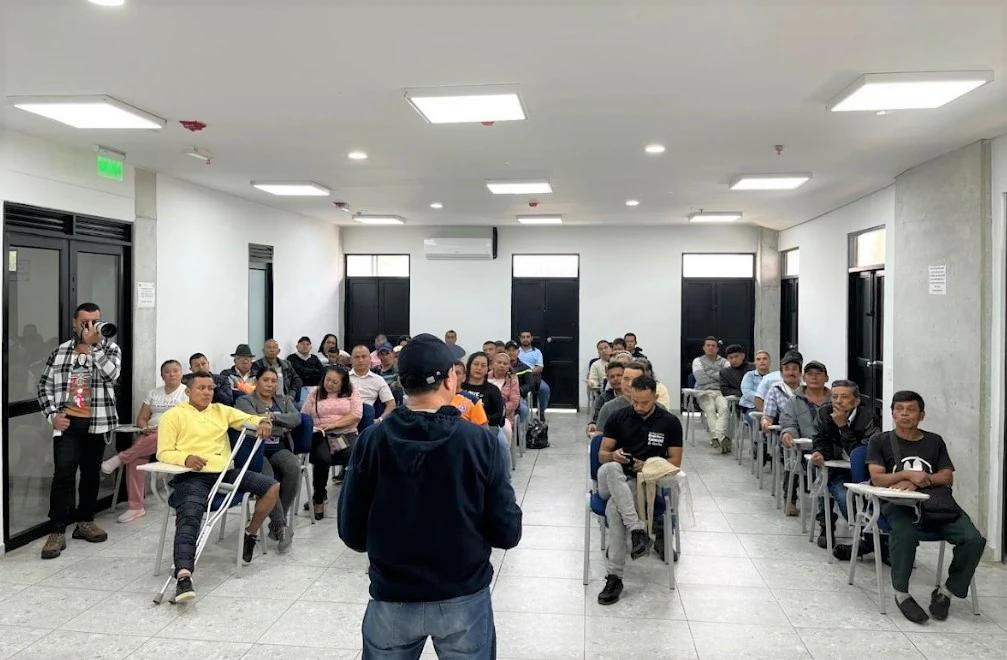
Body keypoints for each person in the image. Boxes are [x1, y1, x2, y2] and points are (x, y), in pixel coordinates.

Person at [338, 333, 522, 659]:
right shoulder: (481, 442)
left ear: (401, 383)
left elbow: (352, 533)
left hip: (392, 595)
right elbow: (507, 532)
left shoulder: (371, 441)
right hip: (463, 595)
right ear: (450, 379)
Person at [156, 371, 279, 602]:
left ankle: (250, 534)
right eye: (201, 388)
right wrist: (185, 458)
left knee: (271, 487)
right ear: (188, 391)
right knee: (190, 516)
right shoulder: (173, 416)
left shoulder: (221, 410)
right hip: (192, 475)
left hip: (224, 472)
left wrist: (263, 421)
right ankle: (184, 576)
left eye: (210, 388)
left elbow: (250, 418)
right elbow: (163, 452)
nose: (207, 392)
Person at [866, 390, 986, 624]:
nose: (904, 414)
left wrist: (922, 480)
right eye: (899, 409)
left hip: (937, 503)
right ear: (892, 413)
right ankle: (902, 593)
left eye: (911, 410)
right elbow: (878, 478)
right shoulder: (879, 441)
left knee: (973, 539)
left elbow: (947, 477)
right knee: (905, 534)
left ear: (922, 415)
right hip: (898, 503)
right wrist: (906, 475)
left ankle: (947, 592)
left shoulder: (934, 441)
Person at [37, 302, 121, 559]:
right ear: (75, 323)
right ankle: (56, 531)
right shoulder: (60, 351)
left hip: (98, 422)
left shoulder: (110, 348)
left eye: (95, 321)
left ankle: (85, 521)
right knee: (63, 475)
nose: (90, 326)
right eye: (85, 322)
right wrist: (52, 416)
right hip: (68, 423)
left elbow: (112, 376)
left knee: (91, 475)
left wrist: (95, 346)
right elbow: (43, 386)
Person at [596, 374, 683, 605]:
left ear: (655, 397)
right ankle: (636, 528)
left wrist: (647, 465)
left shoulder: (669, 422)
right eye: (635, 401)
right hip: (609, 478)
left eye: (644, 402)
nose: (639, 407)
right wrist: (613, 455)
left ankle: (614, 577)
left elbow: (675, 462)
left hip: (641, 481)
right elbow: (602, 455)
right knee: (612, 467)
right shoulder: (618, 416)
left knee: (614, 511)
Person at [101, 359, 187, 523]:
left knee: (159, 436)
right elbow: (142, 418)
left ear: (181, 373)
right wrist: (144, 428)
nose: (172, 374)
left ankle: (120, 458)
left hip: (174, 436)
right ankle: (136, 507)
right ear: (162, 375)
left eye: (176, 371)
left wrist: (164, 428)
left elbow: (187, 420)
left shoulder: (186, 393)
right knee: (135, 460)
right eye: (167, 371)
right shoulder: (154, 393)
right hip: (149, 435)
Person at [235, 367, 300, 551]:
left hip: (279, 447)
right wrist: (280, 422)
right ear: (256, 382)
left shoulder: (284, 400)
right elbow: (251, 421)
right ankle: (281, 525)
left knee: (293, 467)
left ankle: (277, 522)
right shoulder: (244, 400)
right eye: (265, 380)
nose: (270, 384)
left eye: (273, 381)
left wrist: (271, 417)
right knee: (268, 479)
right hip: (255, 450)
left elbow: (296, 419)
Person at [810, 380, 878, 555]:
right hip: (837, 471)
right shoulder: (824, 413)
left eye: (844, 397)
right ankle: (864, 537)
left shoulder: (868, 417)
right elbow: (819, 439)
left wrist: (843, 426)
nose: (838, 401)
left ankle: (873, 540)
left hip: (864, 473)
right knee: (842, 495)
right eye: (834, 397)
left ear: (856, 401)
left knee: (869, 500)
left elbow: (859, 455)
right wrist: (820, 453)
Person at [302, 365, 362, 519]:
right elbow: (304, 415)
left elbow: (356, 415)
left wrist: (333, 425)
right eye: (327, 380)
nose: (329, 384)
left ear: (343, 384)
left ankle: (354, 497)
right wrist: (318, 427)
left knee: (355, 455)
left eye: (335, 382)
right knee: (322, 458)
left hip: (345, 434)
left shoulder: (352, 392)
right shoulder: (315, 393)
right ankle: (319, 497)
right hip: (320, 434)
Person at [777, 361, 830, 516]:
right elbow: (788, 422)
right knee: (793, 461)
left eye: (818, 374)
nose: (814, 377)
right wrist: (788, 434)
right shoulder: (794, 401)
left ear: (826, 378)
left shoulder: (834, 400)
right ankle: (791, 499)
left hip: (829, 447)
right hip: (804, 446)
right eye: (810, 374)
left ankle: (825, 513)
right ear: (804, 378)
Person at [691, 336, 731, 453]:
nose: (710, 348)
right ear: (704, 347)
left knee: (724, 408)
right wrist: (718, 374)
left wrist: (708, 371)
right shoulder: (697, 361)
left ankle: (716, 438)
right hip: (704, 392)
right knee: (710, 409)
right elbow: (701, 379)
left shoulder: (725, 362)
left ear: (717, 349)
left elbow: (726, 378)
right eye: (708, 345)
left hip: (720, 392)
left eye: (713, 346)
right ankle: (720, 438)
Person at [596, 362, 650, 433]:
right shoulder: (608, 409)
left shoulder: (657, 409)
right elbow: (599, 436)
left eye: (635, 380)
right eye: (626, 379)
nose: (630, 384)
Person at [350, 345, 396, 422]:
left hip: (365, 418)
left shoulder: (378, 380)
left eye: (364, 356)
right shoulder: (343, 378)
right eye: (357, 357)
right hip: (344, 414)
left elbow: (391, 404)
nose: (361, 360)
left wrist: (380, 420)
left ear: (370, 358)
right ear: (351, 359)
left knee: (367, 409)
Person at [518, 330, 551, 420]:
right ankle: (522, 416)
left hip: (534, 377)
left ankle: (541, 412)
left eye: (528, 337)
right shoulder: (516, 351)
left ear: (531, 338)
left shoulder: (537, 352)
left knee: (545, 389)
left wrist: (527, 373)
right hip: (519, 378)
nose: (525, 339)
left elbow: (539, 368)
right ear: (520, 339)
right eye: (523, 337)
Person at [587, 362, 625, 437]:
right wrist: (592, 425)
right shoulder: (603, 398)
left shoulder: (635, 396)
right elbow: (597, 419)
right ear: (608, 379)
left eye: (619, 375)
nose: (616, 379)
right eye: (612, 377)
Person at [488, 352, 521, 435]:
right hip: (484, 414)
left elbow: (514, 402)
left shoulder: (512, 381)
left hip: (504, 416)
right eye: (499, 362)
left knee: (506, 430)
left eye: (505, 364)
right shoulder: (485, 377)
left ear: (508, 367)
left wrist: (500, 411)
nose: (501, 365)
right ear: (493, 364)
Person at [739, 350, 771, 415]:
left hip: (770, 407)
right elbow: (747, 392)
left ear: (770, 361)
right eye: (758, 359)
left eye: (764, 359)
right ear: (755, 362)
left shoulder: (774, 377)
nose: (761, 361)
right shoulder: (749, 375)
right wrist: (763, 399)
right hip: (750, 407)